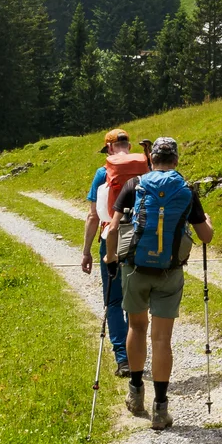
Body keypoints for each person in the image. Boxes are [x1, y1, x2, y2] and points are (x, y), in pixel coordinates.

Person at [114, 137, 213, 430]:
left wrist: (110, 261)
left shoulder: (134, 186)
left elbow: (111, 227)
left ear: (151, 160)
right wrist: (206, 219)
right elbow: (206, 236)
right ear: (176, 161)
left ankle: (135, 393)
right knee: (161, 339)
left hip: (135, 269)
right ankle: (160, 409)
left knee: (136, 327)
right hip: (170, 272)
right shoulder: (186, 190)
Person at [81, 129, 143, 372]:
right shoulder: (145, 166)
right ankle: (137, 352)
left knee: (114, 300)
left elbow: (93, 215)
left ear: (108, 148)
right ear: (128, 145)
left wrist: (86, 250)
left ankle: (122, 358)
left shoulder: (103, 172)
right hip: (141, 238)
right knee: (136, 300)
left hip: (112, 237)